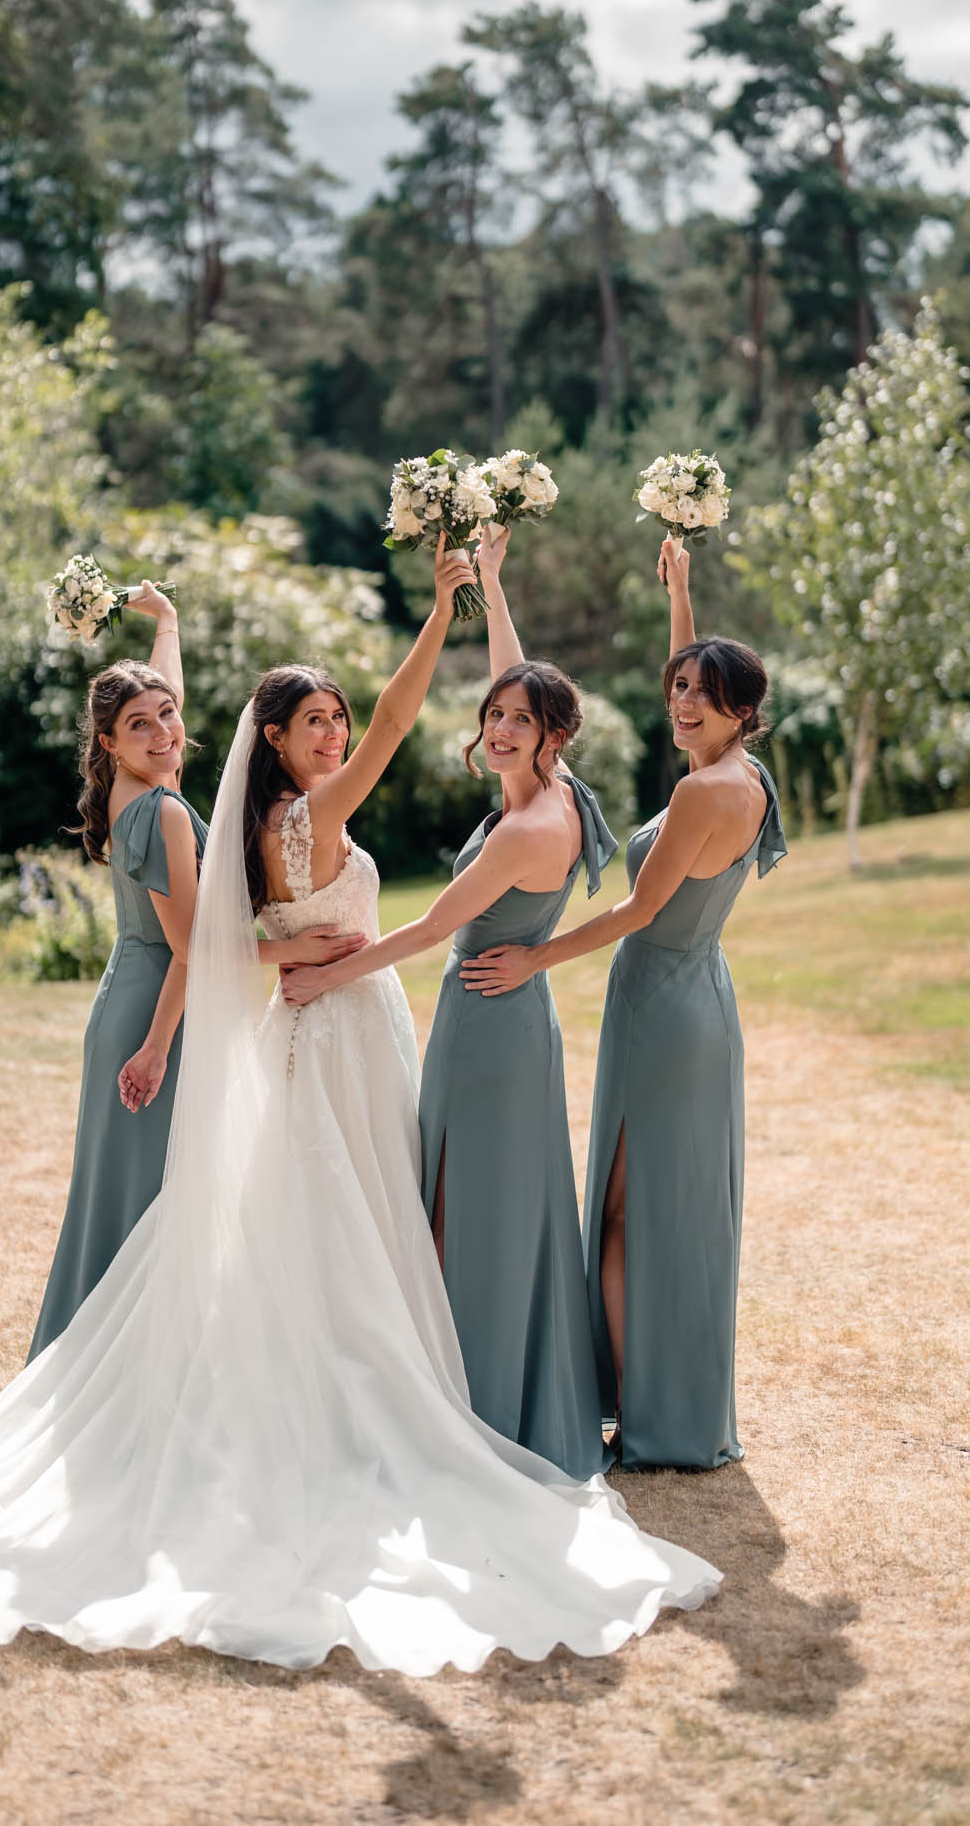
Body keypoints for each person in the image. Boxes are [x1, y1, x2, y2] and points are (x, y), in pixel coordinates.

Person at [0, 539, 718, 1674]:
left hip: (359, 1026)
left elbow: (269, 881)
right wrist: (439, 617)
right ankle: (351, 1394)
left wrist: (289, 930)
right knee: (339, 1214)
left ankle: (406, 1371)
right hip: (329, 1027)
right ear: (274, 741)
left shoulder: (281, 817)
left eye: (335, 722)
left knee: (375, 1205)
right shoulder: (295, 821)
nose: (336, 737)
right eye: (314, 723)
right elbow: (276, 875)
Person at [283, 524, 612, 1477]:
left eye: (520, 721)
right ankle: (459, 1385)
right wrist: (493, 589)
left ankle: (489, 1407)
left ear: (552, 738)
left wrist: (325, 975)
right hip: (492, 1011)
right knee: (465, 1197)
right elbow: (526, 676)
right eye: (495, 714)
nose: (500, 727)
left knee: (484, 1209)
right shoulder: (548, 786)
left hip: (491, 1013)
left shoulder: (530, 824)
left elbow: (431, 929)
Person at [462, 537, 786, 1470]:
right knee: (660, 1207)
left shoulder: (704, 795)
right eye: (677, 686)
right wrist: (682, 594)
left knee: (633, 1214)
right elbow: (702, 698)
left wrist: (536, 959)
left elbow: (640, 909)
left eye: (698, 694)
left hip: (663, 1007)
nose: (680, 702)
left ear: (741, 712)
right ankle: (647, 1396)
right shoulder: (740, 773)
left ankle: (655, 1415)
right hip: (693, 995)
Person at [29, 586, 361, 1360]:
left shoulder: (133, 792)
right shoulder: (166, 810)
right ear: (108, 743)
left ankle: (105, 1357)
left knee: (129, 1192)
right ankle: (122, 1366)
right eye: (139, 726)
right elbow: (194, 945)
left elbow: (158, 706)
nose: (164, 731)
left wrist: (167, 623)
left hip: (137, 995)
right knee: (152, 1198)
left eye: (168, 716)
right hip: (157, 1016)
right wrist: (292, 953)